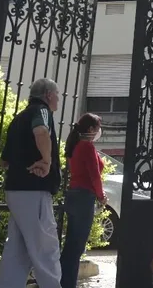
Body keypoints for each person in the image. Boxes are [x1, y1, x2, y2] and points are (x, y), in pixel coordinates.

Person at [0, 78, 63, 288]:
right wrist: (46, 161)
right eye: (58, 95)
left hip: (15, 189)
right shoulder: (41, 111)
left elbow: (5, 160)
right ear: (49, 95)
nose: (59, 100)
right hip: (34, 190)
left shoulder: (18, 118)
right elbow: (41, 132)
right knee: (46, 248)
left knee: (17, 250)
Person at [60, 113, 106, 288]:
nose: (99, 131)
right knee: (76, 247)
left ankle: (63, 282)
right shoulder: (86, 147)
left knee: (71, 245)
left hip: (74, 195)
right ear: (91, 129)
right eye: (97, 128)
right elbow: (94, 175)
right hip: (83, 197)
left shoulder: (77, 145)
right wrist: (101, 196)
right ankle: (67, 284)